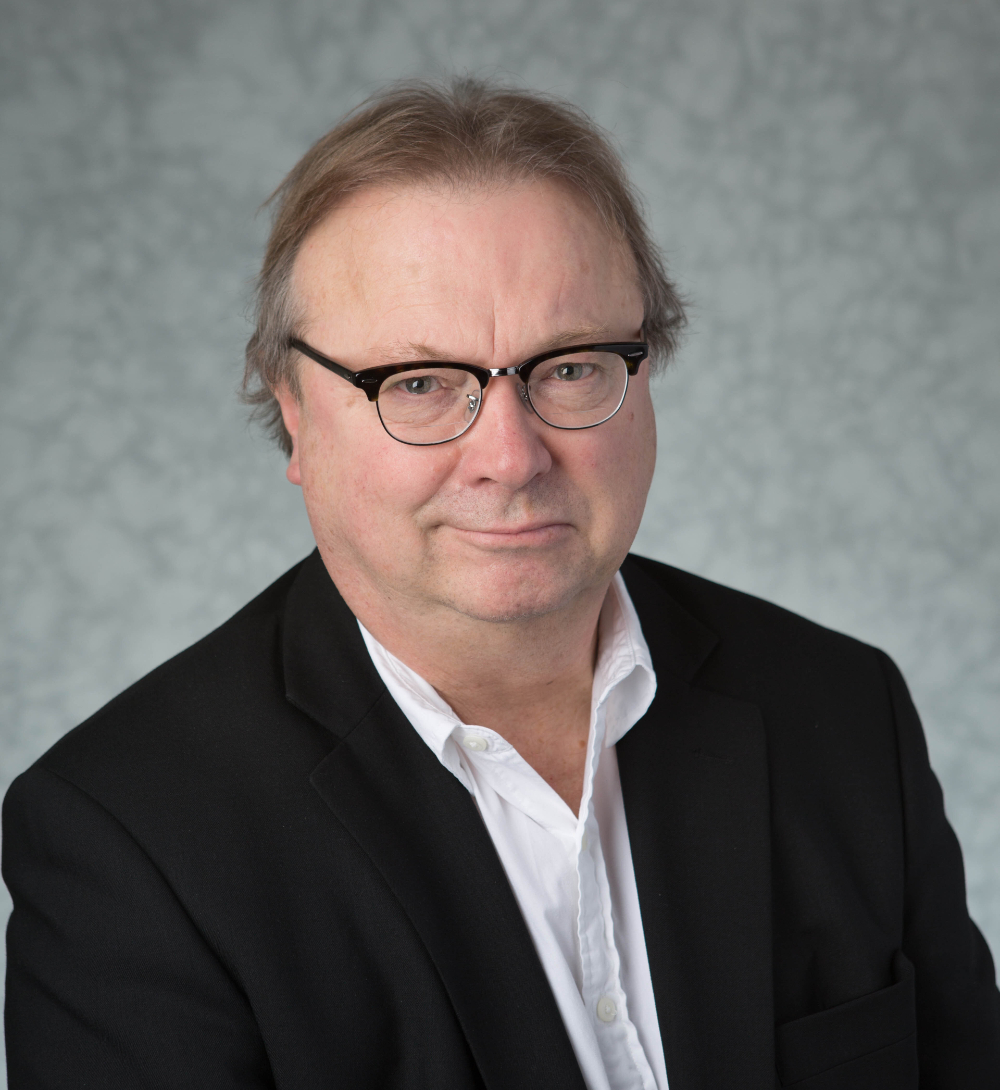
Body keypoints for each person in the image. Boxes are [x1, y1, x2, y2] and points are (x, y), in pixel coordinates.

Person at [4, 78, 998, 1090]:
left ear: (643, 371)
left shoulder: (837, 709)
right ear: (296, 413)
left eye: (567, 367)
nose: (510, 457)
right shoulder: (130, 844)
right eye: (422, 383)